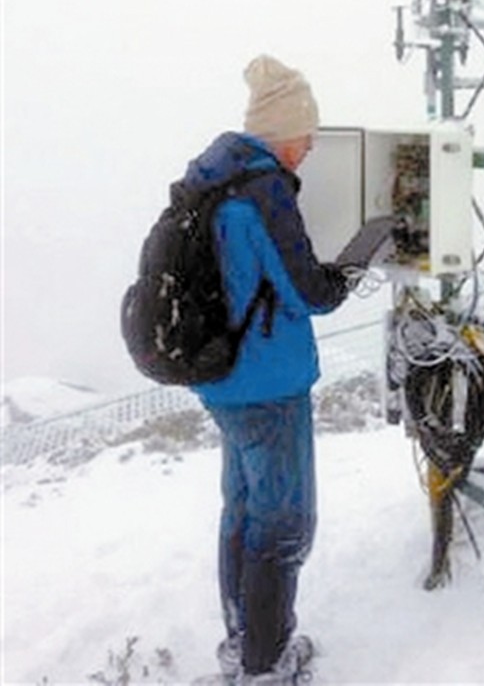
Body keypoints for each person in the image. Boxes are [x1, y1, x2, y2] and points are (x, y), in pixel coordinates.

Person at [187, 54, 355, 685]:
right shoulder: (266, 192)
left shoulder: (216, 180)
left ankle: (245, 642)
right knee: (284, 526)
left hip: (222, 378)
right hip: (269, 384)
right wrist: (352, 265)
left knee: (242, 511)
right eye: (307, 134)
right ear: (285, 130)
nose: (310, 147)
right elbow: (310, 292)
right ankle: (266, 664)